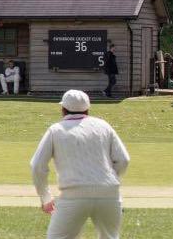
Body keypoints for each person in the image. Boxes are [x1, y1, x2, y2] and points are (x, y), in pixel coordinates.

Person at [30, 90, 129, 239]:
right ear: (88, 108)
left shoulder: (56, 130)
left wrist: (45, 197)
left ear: (63, 109)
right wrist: (108, 179)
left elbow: (37, 165)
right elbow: (123, 160)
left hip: (73, 194)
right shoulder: (103, 126)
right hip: (109, 193)